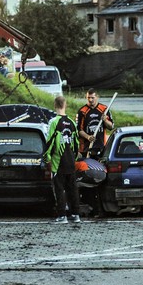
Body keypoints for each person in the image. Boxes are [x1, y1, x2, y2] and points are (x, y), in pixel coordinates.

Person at [44, 95, 80, 223]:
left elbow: (50, 142)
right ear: (65, 106)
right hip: (70, 161)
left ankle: (62, 216)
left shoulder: (53, 122)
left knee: (59, 189)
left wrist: (46, 157)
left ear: (55, 106)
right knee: (72, 189)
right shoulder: (72, 122)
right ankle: (76, 215)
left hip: (58, 162)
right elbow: (76, 144)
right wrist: (74, 157)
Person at [76, 88, 115, 157]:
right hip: (86, 148)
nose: (90, 100)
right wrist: (88, 137)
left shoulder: (104, 109)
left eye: (92, 98)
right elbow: (78, 130)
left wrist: (105, 120)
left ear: (97, 97)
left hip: (101, 147)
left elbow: (111, 127)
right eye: (88, 98)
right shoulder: (82, 111)